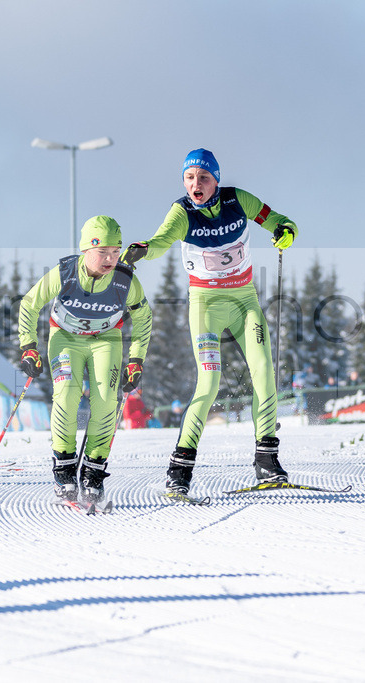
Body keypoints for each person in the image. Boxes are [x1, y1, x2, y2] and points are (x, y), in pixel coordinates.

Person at [120, 148, 297, 496]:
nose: (195, 184)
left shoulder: (237, 201)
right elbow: (161, 241)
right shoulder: (181, 212)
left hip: (245, 300)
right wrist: (142, 248)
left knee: (264, 371)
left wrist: (285, 229)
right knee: (209, 383)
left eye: (203, 177)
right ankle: (180, 468)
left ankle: (267, 460)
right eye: (189, 177)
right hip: (206, 304)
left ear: (216, 179)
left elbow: (275, 219)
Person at [17, 215, 153, 504]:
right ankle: (64, 466)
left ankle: (93, 470)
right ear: (86, 250)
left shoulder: (125, 280)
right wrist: (28, 345)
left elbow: (143, 318)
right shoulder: (65, 272)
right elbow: (30, 302)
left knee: (105, 401)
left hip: (106, 340)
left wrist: (136, 360)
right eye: (103, 252)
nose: (110, 259)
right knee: (66, 396)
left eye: (115, 252)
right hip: (65, 338)